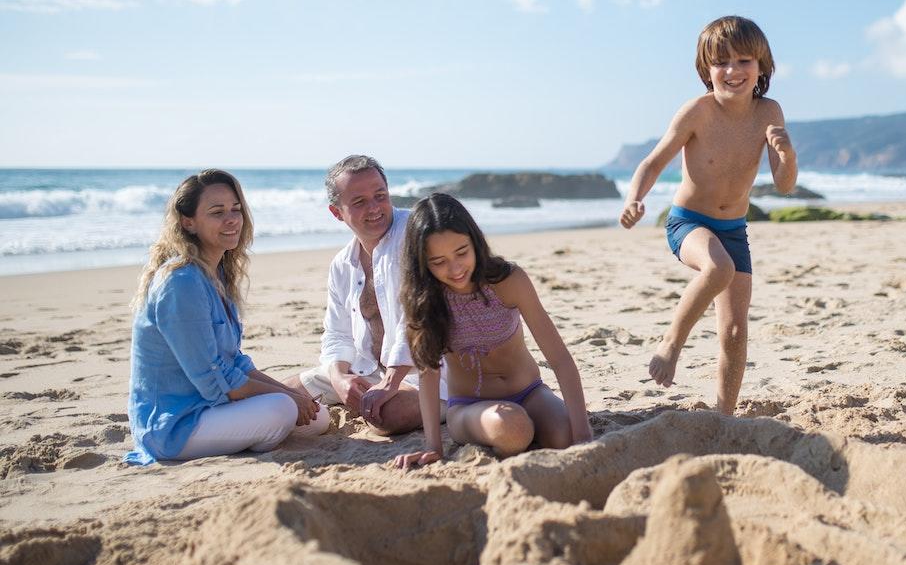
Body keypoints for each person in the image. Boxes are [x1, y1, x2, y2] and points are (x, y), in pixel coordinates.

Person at [619, 15, 797, 414]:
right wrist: (634, 198)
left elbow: (784, 184)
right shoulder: (697, 111)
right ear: (706, 69)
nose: (732, 71)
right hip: (688, 223)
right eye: (722, 62)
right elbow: (653, 161)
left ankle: (724, 417)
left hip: (733, 228)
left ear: (761, 66)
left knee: (734, 331)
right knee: (718, 268)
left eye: (743, 61)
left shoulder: (769, 112)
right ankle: (671, 343)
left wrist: (787, 154)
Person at [127, 170, 326, 465]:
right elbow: (217, 381)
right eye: (217, 212)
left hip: (213, 408)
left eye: (236, 209)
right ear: (188, 222)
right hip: (175, 426)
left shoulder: (217, 273)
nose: (231, 219)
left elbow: (236, 362)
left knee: (318, 416)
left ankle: (259, 431)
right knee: (282, 410)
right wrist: (290, 400)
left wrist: (296, 395)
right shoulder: (181, 282)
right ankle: (258, 435)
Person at [392, 194, 591, 468]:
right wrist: (433, 447)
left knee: (565, 436)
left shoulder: (509, 280)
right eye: (438, 261)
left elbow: (560, 359)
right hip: (469, 408)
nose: (455, 268)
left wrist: (583, 435)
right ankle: (517, 436)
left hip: (530, 392)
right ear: (423, 263)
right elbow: (428, 375)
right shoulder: (425, 300)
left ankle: (529, 435)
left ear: (475, 240)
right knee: (514, 427)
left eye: (461, 252)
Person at [285, 155, 446, 435]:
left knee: (384, 416)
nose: (374, 208)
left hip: (430, 372)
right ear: (337, 212)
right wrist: (339, 378)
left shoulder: (417, 235)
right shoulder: (342, 263)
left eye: (380, 196)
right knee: (282, 396)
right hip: (369, 370)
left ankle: (452, 406)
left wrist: (391, 384)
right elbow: (336, 333)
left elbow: (419, 318)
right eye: (359, 202)